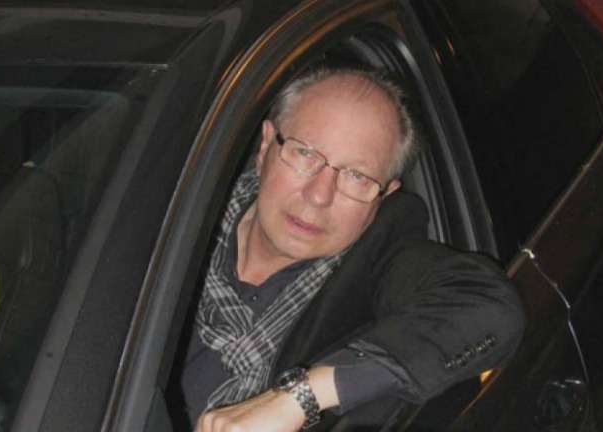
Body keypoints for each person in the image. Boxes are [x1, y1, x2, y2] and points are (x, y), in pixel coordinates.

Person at [180, 67, 525, 432]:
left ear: (384, 195)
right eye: (305, 153)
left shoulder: (380, 256)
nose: (319, 195)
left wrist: (303, 395)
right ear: (266, 145)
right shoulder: (180, 207)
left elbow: (490, 307)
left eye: (357, 176)